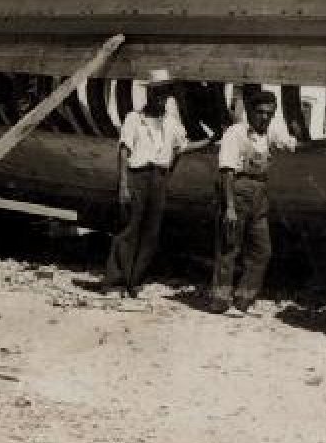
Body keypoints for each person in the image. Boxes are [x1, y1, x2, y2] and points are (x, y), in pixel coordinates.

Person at [101, 69, 215, 298]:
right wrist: (123, 184)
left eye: (164, 93)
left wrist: (210, 140)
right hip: (137, 176)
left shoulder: (172, 124)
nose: (161, 98)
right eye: (157, 93)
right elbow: (124, 151)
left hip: (159, 179)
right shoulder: (134, 118)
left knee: (151, 233)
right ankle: (114, 283)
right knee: (129, 229)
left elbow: (181, 147)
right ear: (149, 94)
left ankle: (135, 283)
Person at [208, 89, 298, 314]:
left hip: (259, 194)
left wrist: (317, 140)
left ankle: (243, 299)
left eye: (270, 113)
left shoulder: (269, 133)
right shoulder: (235, 134)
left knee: (262, 250)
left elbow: (291, 145)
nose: (265, 117)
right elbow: (226, 171)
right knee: (229, 248)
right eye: (260, 113)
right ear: (248, 112)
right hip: (237, 190)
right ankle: (219, 301)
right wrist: (228, 207)